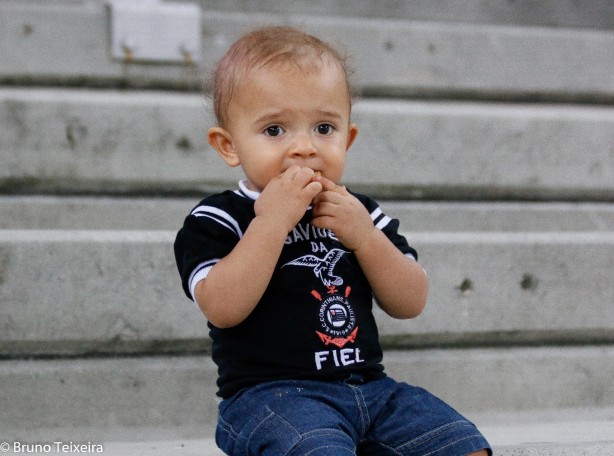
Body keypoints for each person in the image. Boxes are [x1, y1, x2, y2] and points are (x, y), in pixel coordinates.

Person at [174, 25, 491, 456]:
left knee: (463, 444)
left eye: (324, 127)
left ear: (349, 137)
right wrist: (271, 223)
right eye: (274, 131)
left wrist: (365, 237)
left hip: (371, 389)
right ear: (229, 145)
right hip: (271, 398)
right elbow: (223, 308)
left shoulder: (359, 212)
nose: (304, 147)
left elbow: (410, 301)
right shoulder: (219, 218)